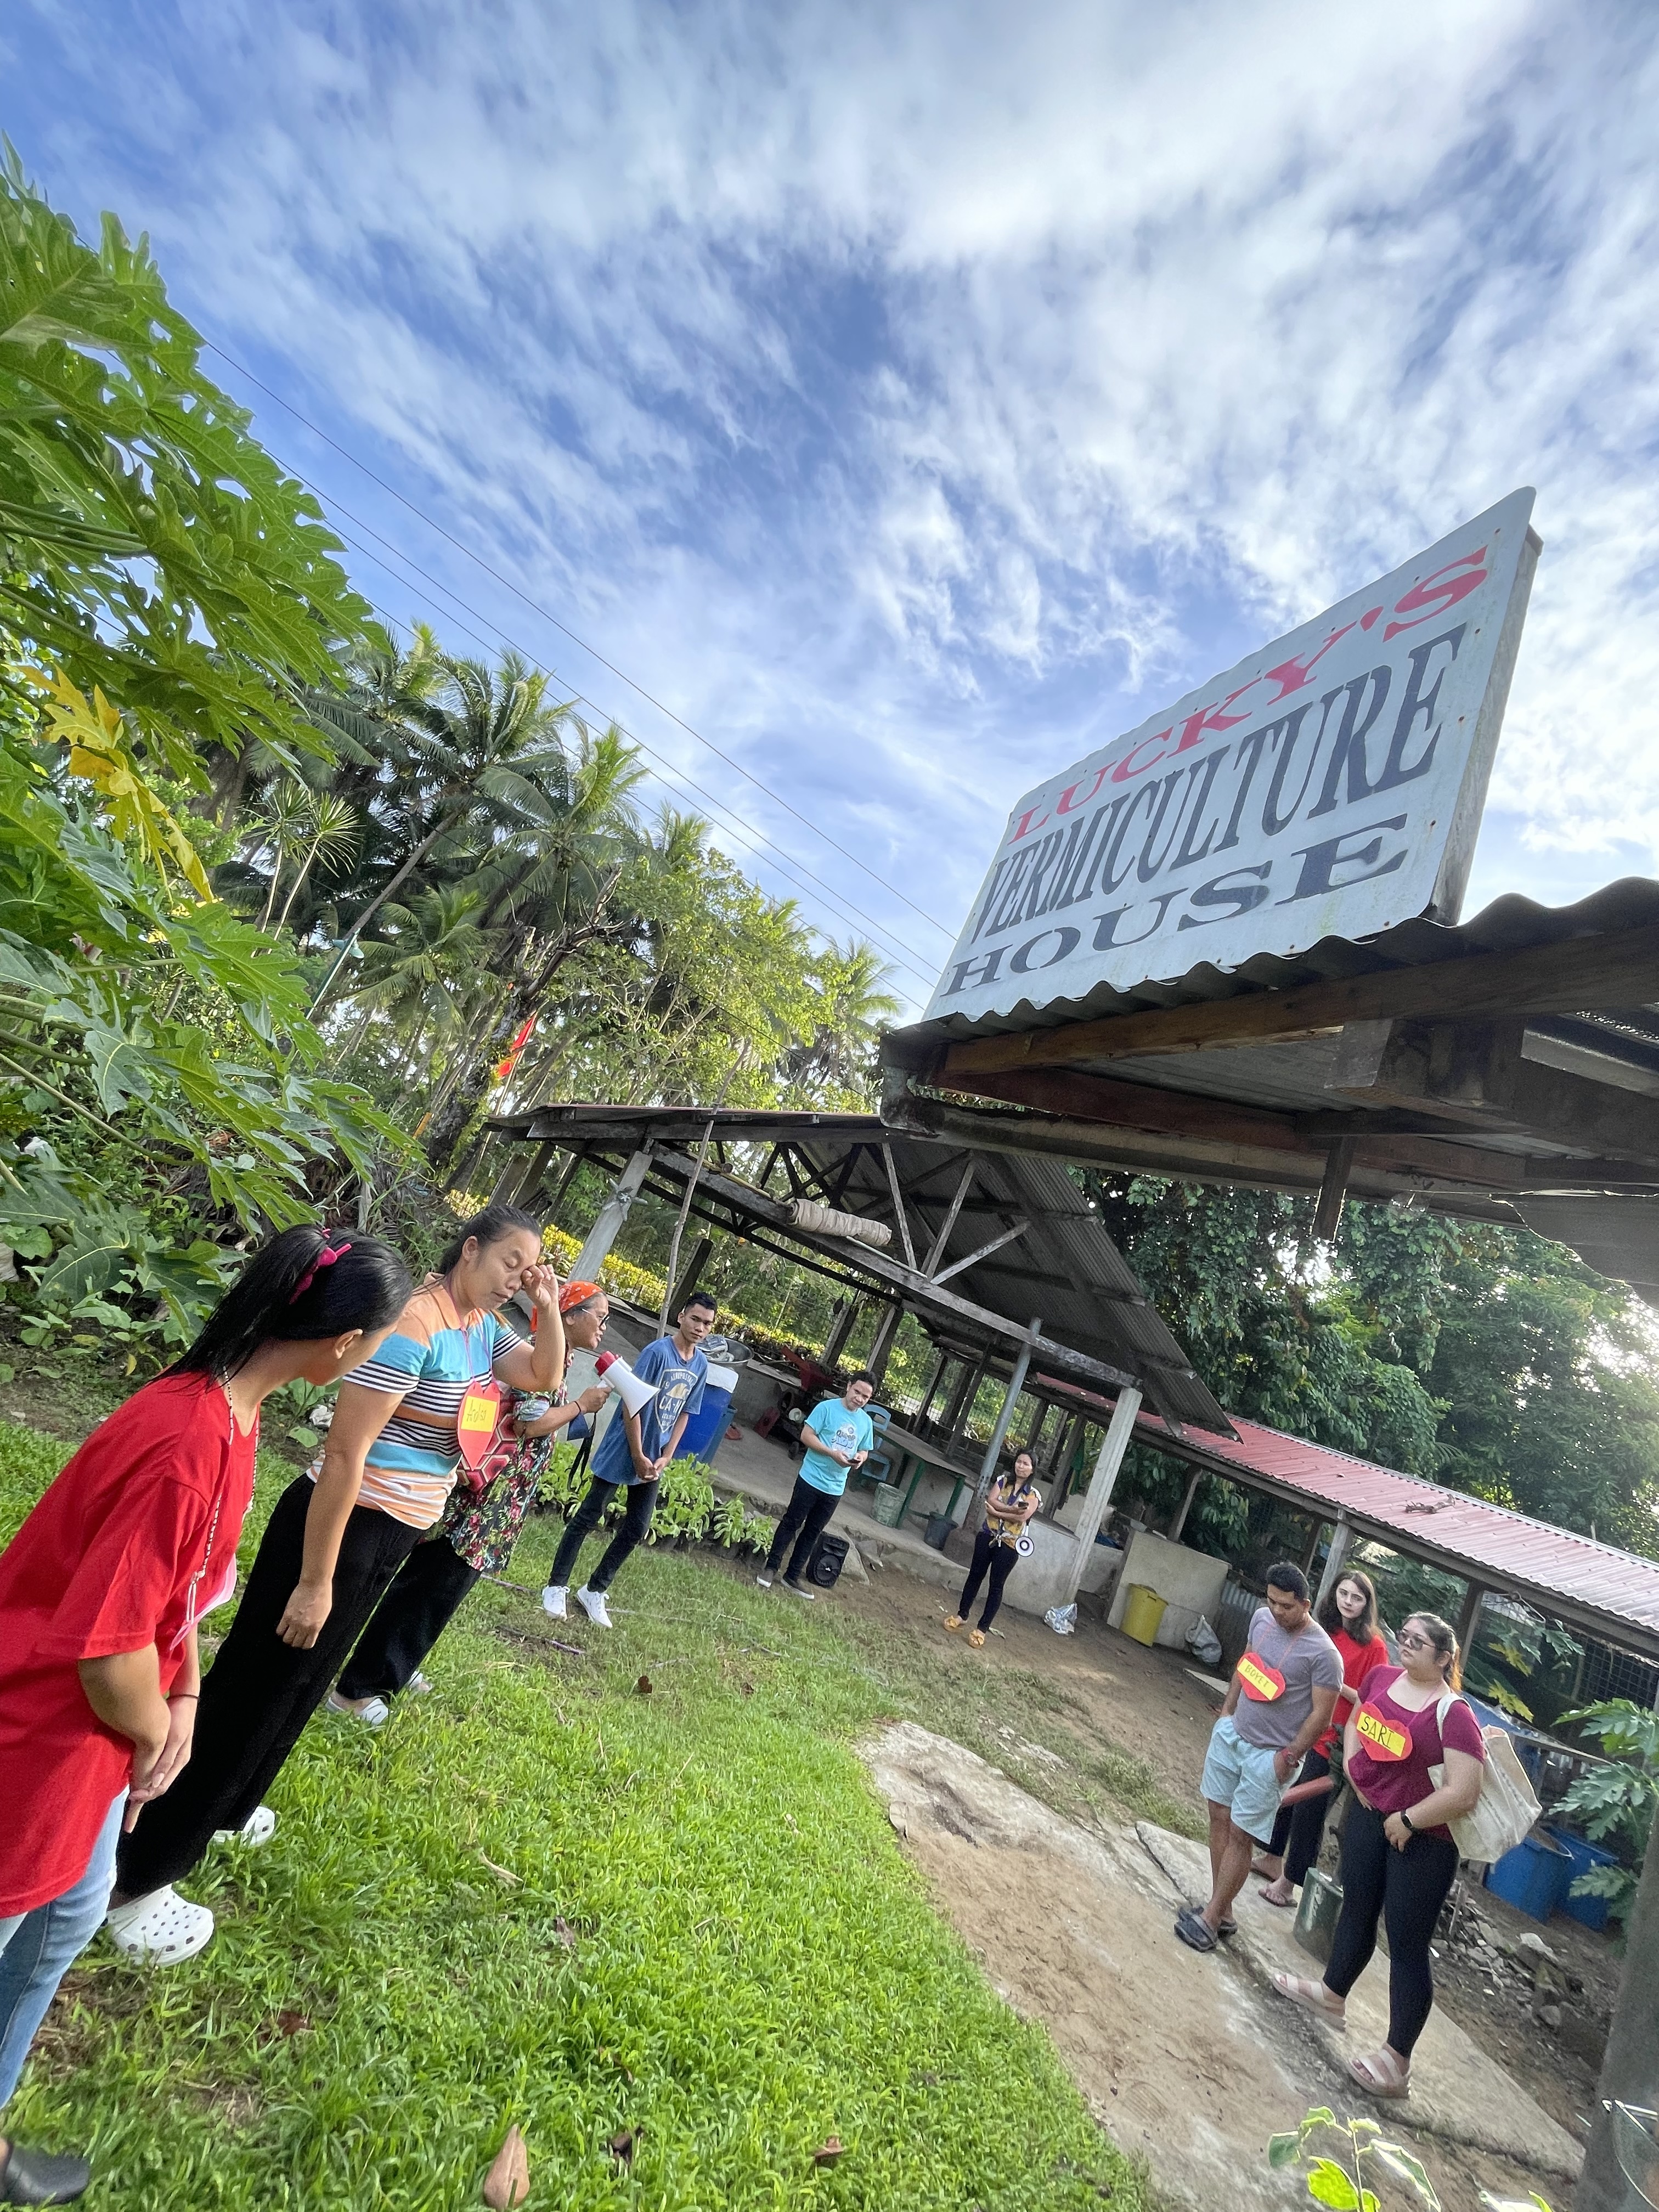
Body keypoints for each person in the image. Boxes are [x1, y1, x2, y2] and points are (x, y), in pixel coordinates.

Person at [0, 1226, 409, 2205]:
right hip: (43, 1733)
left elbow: (171, 1601)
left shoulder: (234, 1412)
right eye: (377, 1342)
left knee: (71, 1916)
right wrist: (154, 1732)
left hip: (102, 1730)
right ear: (344, 1342)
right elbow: (107, 1654)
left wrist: (182, 1695)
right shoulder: (186, 1442)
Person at [109, 1204, 563, 1962]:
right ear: (470, 1249)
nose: (519, 1276)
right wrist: (315, 1581)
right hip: (341, 1526)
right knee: (252, 1690)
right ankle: (136, 1880)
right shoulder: (414, 1323)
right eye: (510, 1261)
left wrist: (546, 1306)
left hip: (393, 1530)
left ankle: (228, 1808)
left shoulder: (481, 1328)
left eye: (530, 1267)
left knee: (299, 1687)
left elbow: (545, 1376)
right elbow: (346, 1455)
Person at [328, 1283, 611, 1720]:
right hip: (483, 1502)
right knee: (430, 1587)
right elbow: (529, 1423)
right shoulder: (535, 1359)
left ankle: (397, 1666)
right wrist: (580, 1407)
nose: (604, 1327)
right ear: (570, 1315)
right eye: (600, 1317)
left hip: (496, 1503)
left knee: (437, 1590)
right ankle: (358, 1689)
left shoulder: (556, 1359)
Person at [1272, 1610, 1486, 2099]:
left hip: (1425, 1840)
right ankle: (1331, 1995)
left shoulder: (1455, 1715)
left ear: (1444, 1657)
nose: (1405, 1644)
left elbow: (1465, 1791)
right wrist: (1352, 1765)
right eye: (1404, 1636)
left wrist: (1409, 1821)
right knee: (1356, 1908)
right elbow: (1357, 1722)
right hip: (1370, 1817)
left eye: (1418, 1641)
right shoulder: (1382, 1678)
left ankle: (1397, 2060)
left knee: (1407, 1945)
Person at [1173, 1562, 1342, 1954]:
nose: (1277, 1611)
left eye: (1287, 1606)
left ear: (1306, 1604)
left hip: (1270, 1756)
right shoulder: (1261, 1619)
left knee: (1241, 1833)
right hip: (1234, 1736)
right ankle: (1223, 1910)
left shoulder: (1325, 1655)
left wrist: (1290, 1757)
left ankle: (1210, 1919)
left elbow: (1322, 1716)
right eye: (1272, 1602)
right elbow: (1246, 1664)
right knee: (1218, 1816)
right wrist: (1227, 1712)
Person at [542, 1290, 716, 1628]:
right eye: (695, 1319)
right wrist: (637, 1454)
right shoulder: (657, 1353)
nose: (699, 1328)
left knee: (637, 1527)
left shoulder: (701, 1365)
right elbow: (630, 1402)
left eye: (707, 1324)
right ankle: (556, 1586)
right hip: (626, 1449)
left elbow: (686, 1413)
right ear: (681, 1317)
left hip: (654, 1457)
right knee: (588, 1517)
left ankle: (595, 1590)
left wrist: (666, 1455)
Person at [1256, 1570, 1389, 1906]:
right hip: (1302, 1726)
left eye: (1357, 1597)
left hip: (1335, 1739)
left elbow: (1373, 1701)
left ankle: (1290, 1884)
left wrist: (1334, 1686)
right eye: (1343, 1593)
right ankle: (1272, 1858)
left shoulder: (1374, 1646)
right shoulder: (1323, 1630)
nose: (1348, 1602)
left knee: (1309, 1813)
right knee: (1283, 1795)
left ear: (1367, 1604)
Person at [755, 1372, 874, 1599]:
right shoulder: (827, 1408)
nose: (859, 1399)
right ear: (849, 1387)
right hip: (811, 1478)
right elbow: (806, 1435)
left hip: (835, 1488)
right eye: (857, 1392)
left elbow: (864, 1449)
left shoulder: (866, 1422)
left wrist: (860, 1458)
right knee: (791, 1523)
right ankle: (771, 1567)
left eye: (865, 1397)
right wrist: (831, 1453)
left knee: (813, 1532)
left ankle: (792, 1575)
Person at [945, 1448, 1042, 1646]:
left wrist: (998, 1512)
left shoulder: (1034, 1495)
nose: (1021, 1466)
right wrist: (1011, 1510)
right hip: (987, 1535)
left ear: (1033, 1470)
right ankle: (962, 1615)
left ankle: (982, 1629)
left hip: (1009, 1544)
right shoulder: (1002, 1481)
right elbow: (991, 1500)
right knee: (974, 1576)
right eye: (1019, 1462)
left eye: (1026, 1464)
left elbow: (1022, 1517)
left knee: (996, 1587)